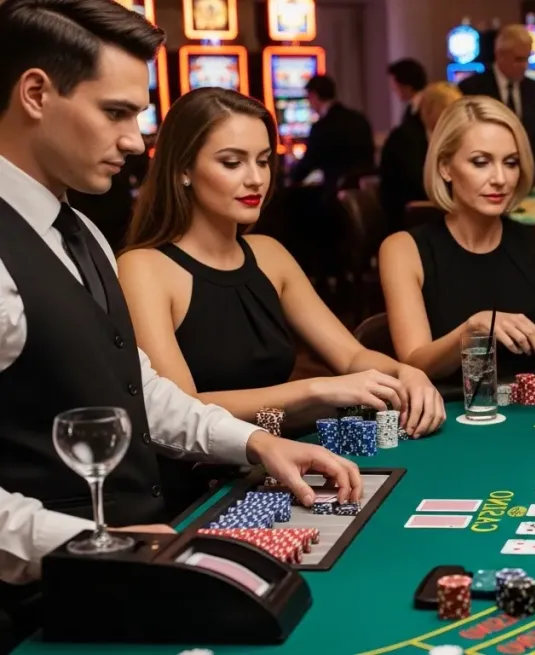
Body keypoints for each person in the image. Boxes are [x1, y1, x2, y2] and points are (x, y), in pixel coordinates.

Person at [0, 0, 360, 643]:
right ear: (35, 93)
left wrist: (255, 442)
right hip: (40, 606)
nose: (136, 142)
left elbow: (137, 389)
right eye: (114, 113)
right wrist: (89, 541)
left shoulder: (80, 229)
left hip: (140, 560)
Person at [117, 87, 444, 513]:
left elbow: (350, 357)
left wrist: (406, 373)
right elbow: (182, 406)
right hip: (196, 487)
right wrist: (312, 389)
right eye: (232, 162)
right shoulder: (143, 267)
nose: (256, 178)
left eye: (264, 160)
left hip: (279, 467)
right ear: (183, 169)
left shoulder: (270, 254)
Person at [378, 96, 535, 406]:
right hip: (443, 418)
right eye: (480, 162)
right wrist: (475, 328)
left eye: (510, 163)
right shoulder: (403, 250)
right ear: (445, 167)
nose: (500, 179)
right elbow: (415, 364)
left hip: (528, 424)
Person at [459, 24, 535, 185]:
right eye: (519, 59)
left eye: (527, 59)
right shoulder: (472, 88)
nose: (524, 65)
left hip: (529, 178)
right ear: (500, 55)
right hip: (488, 178)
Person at [380, 81, 461, 221]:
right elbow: (419, 184)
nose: (454, 119)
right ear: (428, 110)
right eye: (448, 111)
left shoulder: (452, 136)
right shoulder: (403, 139)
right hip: (410, 218)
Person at [287, 74, 375, 192]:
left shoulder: (322, 127)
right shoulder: (359, 118)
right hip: (364, 192)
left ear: (314, 95)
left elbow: (307, 165)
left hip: (336, 194)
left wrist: (290, 175)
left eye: (308, 98)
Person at [388, 57, 428, 132]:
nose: (393, 88)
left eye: (395, 85)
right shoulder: (412, 107)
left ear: (407, 86)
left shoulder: (427, 109)